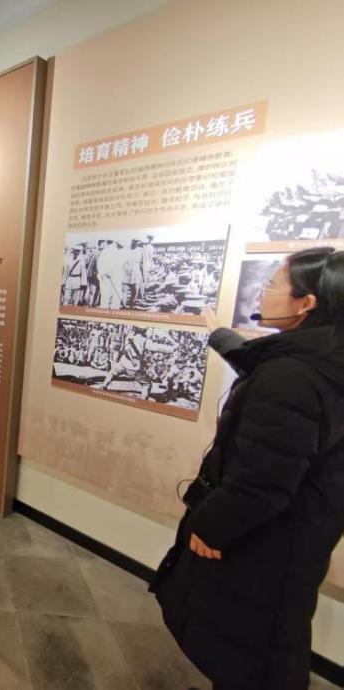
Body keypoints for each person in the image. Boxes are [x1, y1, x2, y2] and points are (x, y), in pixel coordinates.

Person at [151, 247, 344, 690]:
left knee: (249, 649)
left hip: (265, 544)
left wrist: (212, 525)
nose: (264, 290)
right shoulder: (322, 362)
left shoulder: (292, 378)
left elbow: (263, 481)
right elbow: (270, 371)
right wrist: (221, 336)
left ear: (305, 303)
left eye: (274, 283)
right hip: (299, 537)